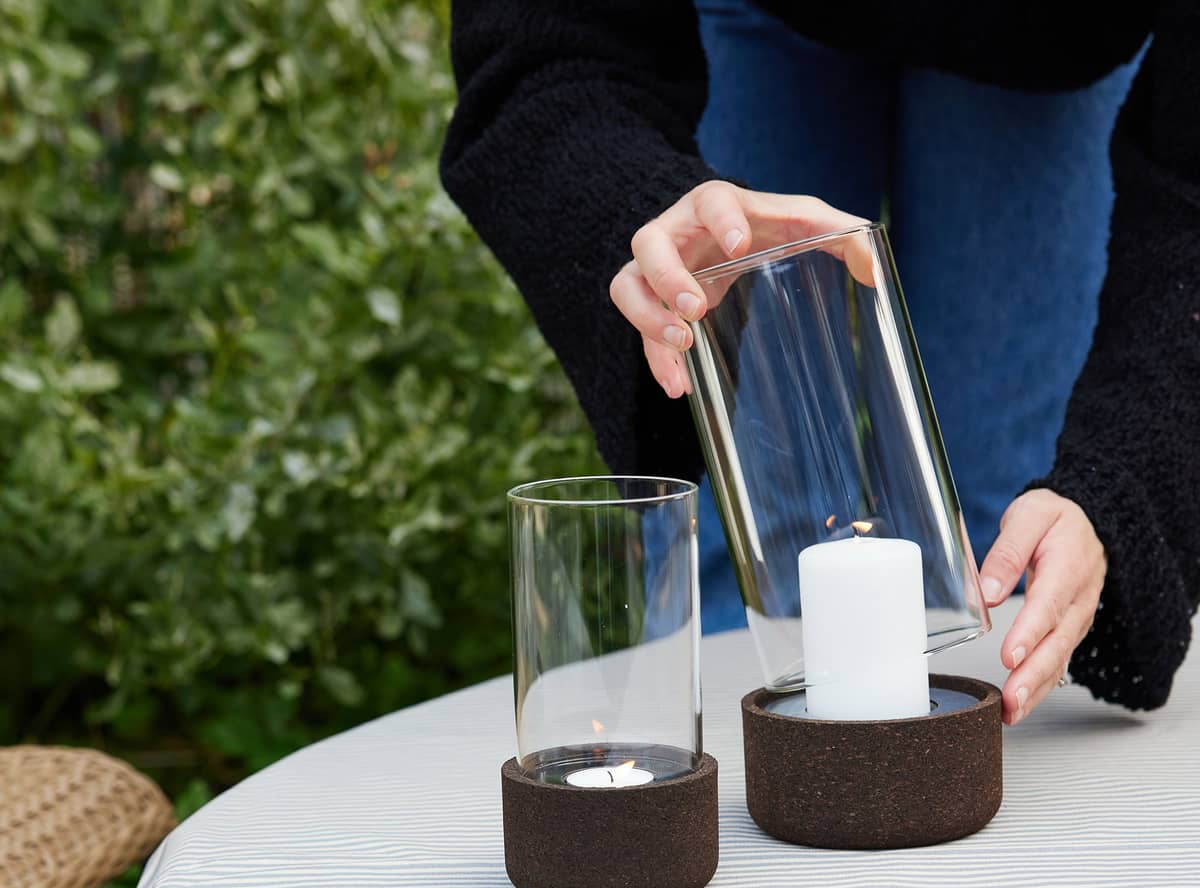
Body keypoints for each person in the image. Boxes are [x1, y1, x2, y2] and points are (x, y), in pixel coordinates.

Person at [441, 1, 1200, 724]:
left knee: (1000, 542)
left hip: (1043, 33)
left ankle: (945, 773)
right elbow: (542, 46)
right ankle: (759, 783)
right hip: (776, 15)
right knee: (743, 534)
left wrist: (1120, 482)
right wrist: (641, 203)